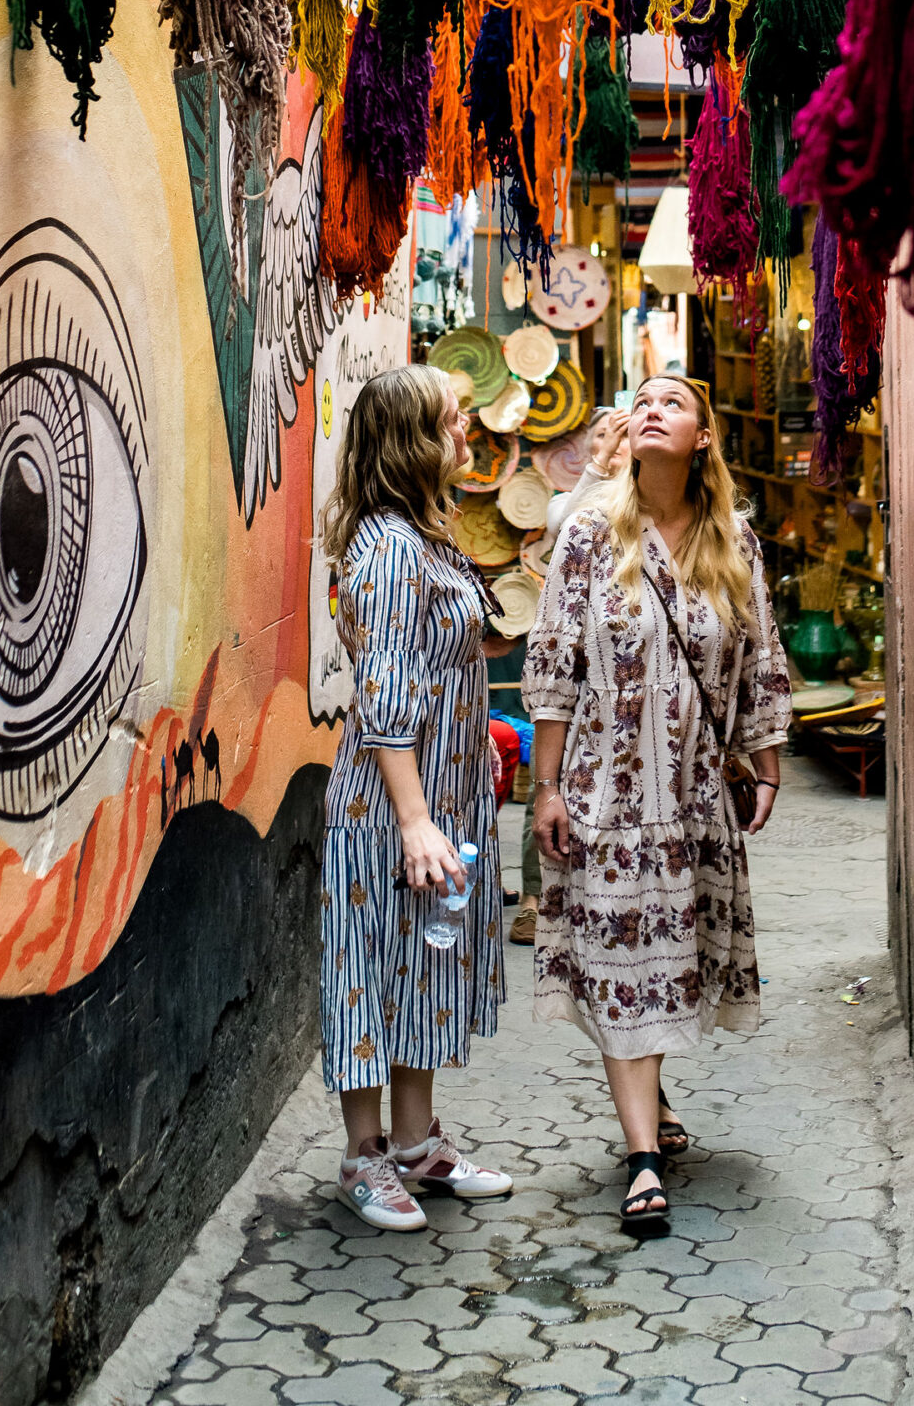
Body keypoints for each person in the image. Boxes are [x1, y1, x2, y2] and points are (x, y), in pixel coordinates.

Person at [521, 373, 792, 1235]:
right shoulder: (590, 537)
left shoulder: (734, 541)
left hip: (693, 797)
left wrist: (768, 766)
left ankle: (652, 1096)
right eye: (640, 401)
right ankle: (641, 1157)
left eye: (671, 402)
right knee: (621, 964)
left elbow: (760, 660)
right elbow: (556, 663)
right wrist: (546, 785)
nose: (649, 409)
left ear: (703, 437)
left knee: (669, 964)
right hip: (607, 795)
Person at [319, 364, 513, 1230]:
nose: (467, 435)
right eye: (453, 421)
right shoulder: (393, 552)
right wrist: (414, 820)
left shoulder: (421, 535)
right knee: (370, 963)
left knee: (422, 961)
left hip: (439, 801)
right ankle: (364, 1159)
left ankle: (414, 1144)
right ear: (412, 444)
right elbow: (387, 699)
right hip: (391, 808)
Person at [507, 406, 632, 946]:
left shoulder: (655, 504)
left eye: (620, 434)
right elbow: (561, 528)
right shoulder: (573, 502)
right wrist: (599, 470)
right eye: (601, 436)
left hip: (628, 672)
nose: (611, 443)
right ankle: (536, 898)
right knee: (551, 777)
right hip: (573, 668)